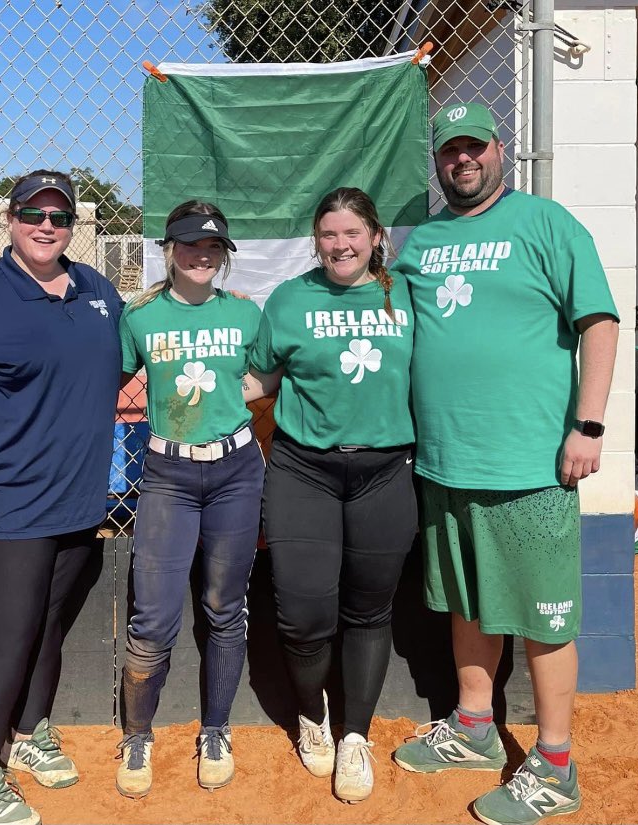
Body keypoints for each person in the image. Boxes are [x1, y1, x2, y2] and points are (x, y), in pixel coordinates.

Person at [391, 103, 619, 825]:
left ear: (499, 150)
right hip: (445, 462)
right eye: (449, 150)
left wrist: (587, 425)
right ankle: (473, 726)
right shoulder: (420, 243)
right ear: (437, 161)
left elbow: (599, 322)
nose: (462, 159)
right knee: (469, 602)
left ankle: (553, 767)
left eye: (473, 146)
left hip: (530, 465)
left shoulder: (546, 224)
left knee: (543, 616)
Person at [0, 170, 124, 825]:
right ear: (10, 219)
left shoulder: (97, 291)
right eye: (32, 212)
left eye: (59, 216)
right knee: (4, 640)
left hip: (76, 503)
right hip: (0, 505)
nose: (46, 225)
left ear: (71, 225)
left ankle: (30, 730)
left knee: (48, 628)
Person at [244, 187, 418, 804]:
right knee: (301, 613)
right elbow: (261, 377)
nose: (340, 245)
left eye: (352, 233)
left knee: (370, 612)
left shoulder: (406, 296)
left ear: (374, 236)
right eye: (328, 235)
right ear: (315, 240)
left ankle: (355, 736)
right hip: (304, 471)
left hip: (385, 472)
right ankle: (313, 719)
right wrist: (193, 391)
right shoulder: (292, 298)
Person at [114, 201, 264, 798]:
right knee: (152, 614)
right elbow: (112, 377)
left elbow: (267, 375)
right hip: (168, 471)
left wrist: (233, 396)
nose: (201, 255)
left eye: (211, 247)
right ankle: (137, 734)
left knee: (225, 606)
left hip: (235, 469)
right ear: (169, 249)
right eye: (188, 245)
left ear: (224, 254)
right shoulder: (140, 317)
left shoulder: (246, 314)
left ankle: (217, 729)